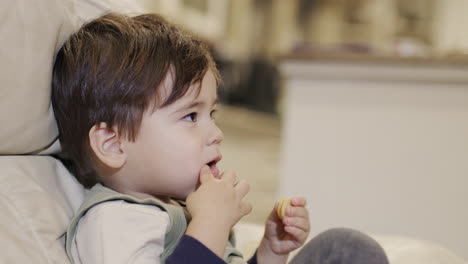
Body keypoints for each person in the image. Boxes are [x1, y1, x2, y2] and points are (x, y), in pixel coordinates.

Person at [52, 13, 389, 264]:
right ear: (112, 144)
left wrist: (269, 252)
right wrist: (211, 223)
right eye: (189, 116)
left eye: (210, 115)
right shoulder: (113, 221)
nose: (216, 134)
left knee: (345, 249)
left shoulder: (183, 209)